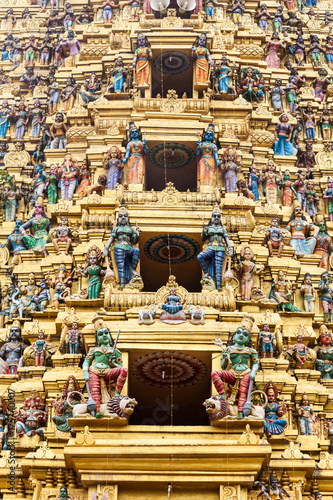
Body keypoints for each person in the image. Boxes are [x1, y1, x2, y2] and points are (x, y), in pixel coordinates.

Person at [211, 316, 258, 419]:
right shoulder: (228, 349)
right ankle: (222, 395)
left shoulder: (251, 351)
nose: (241, 335)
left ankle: (240, 412)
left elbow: (255, 363)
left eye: (245, 334)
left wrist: (253, 371)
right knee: (214, 373)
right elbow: (223, 366)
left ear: (248, 339)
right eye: (239, 332)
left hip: (246, 372)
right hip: (232, 372)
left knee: (243, 391)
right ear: (234, 336)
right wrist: (226, 358)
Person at [82, 317, 128, 417]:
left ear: (109, 335)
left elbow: (120, 366)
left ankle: (116, 394)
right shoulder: (94, 350)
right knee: (94, 391)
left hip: (107, 372)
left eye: (106, 333)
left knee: (124, 370)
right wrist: (85, 371)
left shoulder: (115, 351)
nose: (104, 336)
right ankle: (98, 411)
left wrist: (113, 364)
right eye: (100, 334)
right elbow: (86, 362)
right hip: (94, 370)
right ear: (97, 338)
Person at [103, 207, 141, 289]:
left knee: (136, 251)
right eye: (120, 216)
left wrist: (137, 235)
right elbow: (111, 239)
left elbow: (134, 241)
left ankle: (133, 269)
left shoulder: (131, 229)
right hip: (119, 247)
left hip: (128, 248)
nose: (123, 217)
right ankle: (122, 285)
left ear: (128, 219)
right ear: (118, 219)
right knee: (121, 266)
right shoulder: (116, 228)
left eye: (125, 216)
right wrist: (106, 248)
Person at [197, 206, 233, 291]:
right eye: (214, 216)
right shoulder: (209, 228)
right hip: (210, 248)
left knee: (218, 268)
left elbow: (227, 240)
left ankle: (219, 287)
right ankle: (207, 273)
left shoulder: (222, 229)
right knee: (200, 257)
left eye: (218, 216)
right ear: (212, 218)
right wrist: (203, 230)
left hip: (220, 248)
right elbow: (203, 238)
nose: (216, 218)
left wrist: (230, 249)